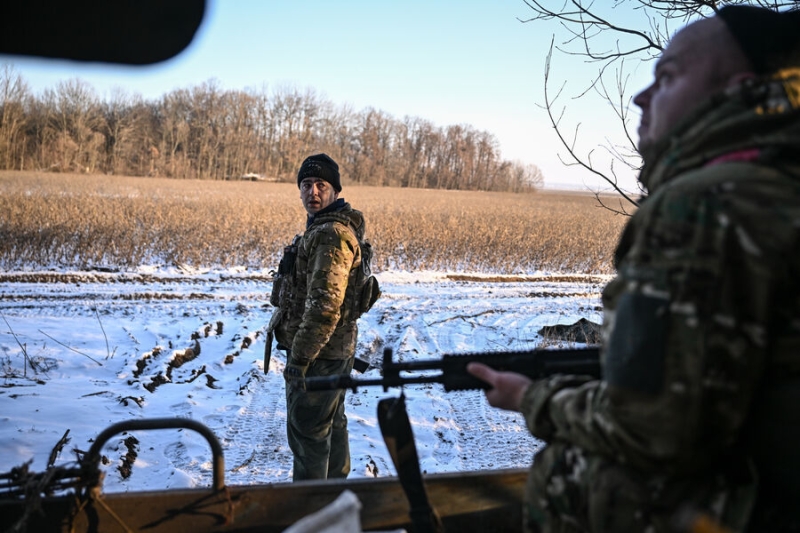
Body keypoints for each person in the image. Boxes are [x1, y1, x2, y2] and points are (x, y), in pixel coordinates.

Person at [468, 5, 800, 532]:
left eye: (665, 78)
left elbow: (651, 430)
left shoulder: (705, 205)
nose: (640, 96)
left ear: (736, 91)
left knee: (578, 474)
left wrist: (531, 398)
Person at [268, 153, 367, 481]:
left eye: (321, 185)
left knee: (309, 433)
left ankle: (311, 510)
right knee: (331, 426)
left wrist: (299, 359)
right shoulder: (323, 229)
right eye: (306, 184)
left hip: (320, 355)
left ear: (335, 191)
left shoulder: (330, 235)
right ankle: (336, 501)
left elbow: (324, 308)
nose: (313, 191)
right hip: (332, 351)